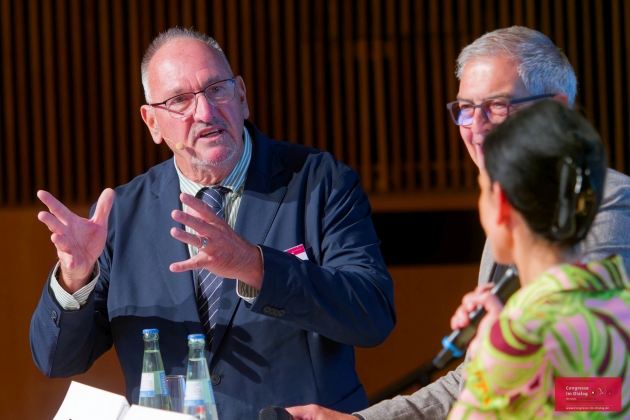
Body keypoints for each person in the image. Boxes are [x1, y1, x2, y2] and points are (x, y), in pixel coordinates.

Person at [30, 27, 396, 419]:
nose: (205, 112)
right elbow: (58, 360)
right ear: (152, 122)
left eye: (217, 89)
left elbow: (372, 315)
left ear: (242, 97)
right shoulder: (121, 213)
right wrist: (75, 279)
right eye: (179, 100)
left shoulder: (321, 182)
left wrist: (254, 265)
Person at [287, 26, 630, 420]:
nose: (476, 126)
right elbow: (471, 380)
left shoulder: (608, 202)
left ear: (557, 110)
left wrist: (508, 358)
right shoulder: (517, 227)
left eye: (497, 105)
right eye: (466, 107)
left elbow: (605, 395)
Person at [448, 99, 630, 418]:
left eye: (482, 189)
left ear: (501, 205)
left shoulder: (518, 338)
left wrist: (489, 358)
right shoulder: (618, 308)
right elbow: (601, 398)